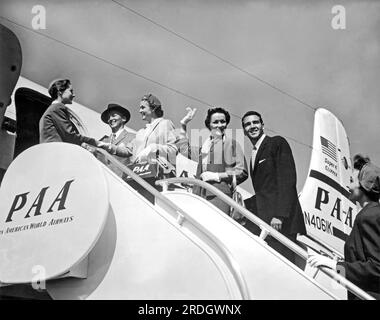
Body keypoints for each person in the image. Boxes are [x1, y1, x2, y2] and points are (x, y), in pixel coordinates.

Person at [308, 157, 380, 300]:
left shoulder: (369, 216)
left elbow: (377, 268)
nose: (349, 185)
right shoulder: (371, 213)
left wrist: (334, 265)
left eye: (353, 181)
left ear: (364, 187)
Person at [241, 111, 306, 264]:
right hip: (266, 220)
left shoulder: (277, 143)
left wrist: (280, 215)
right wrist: (245, 203)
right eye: (247, 124)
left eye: (255, 122)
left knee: (283, 264)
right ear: (244, 131)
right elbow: (265, 191)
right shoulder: (254, 154)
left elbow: (287, 180)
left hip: (281, 222)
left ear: (262, 125)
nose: (252, 126)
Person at [190, 107, 248, 214]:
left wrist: (217, 176)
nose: (220, 125)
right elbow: (183, 147)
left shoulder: (232, 144)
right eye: (215, 122)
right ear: (209, 125)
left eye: (223, 121)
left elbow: (242, 171)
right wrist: (184, 124)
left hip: (220, 196)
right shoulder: (204, 148)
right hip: (200, 197)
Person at [39, 79, 102, 147]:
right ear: (60, 91)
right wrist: (97, 143)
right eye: (71, 91)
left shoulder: (52, 109)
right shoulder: (57, 108)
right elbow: (70, 136)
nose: (74, 95)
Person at [133, 93, 178, 165]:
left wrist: (154, 148)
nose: (140, 111)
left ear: (153, 108)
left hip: (158, 172)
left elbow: (173, 150)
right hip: (138, 172)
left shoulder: (165, 124)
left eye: (143, 107)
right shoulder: (140, 133)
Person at [95, 103, 135, 176]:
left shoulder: (133, 137)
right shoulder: (103, 141)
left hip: (124, 182)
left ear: (123, 119)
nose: (110, 119)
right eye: (109, 117)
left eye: (114, 115)